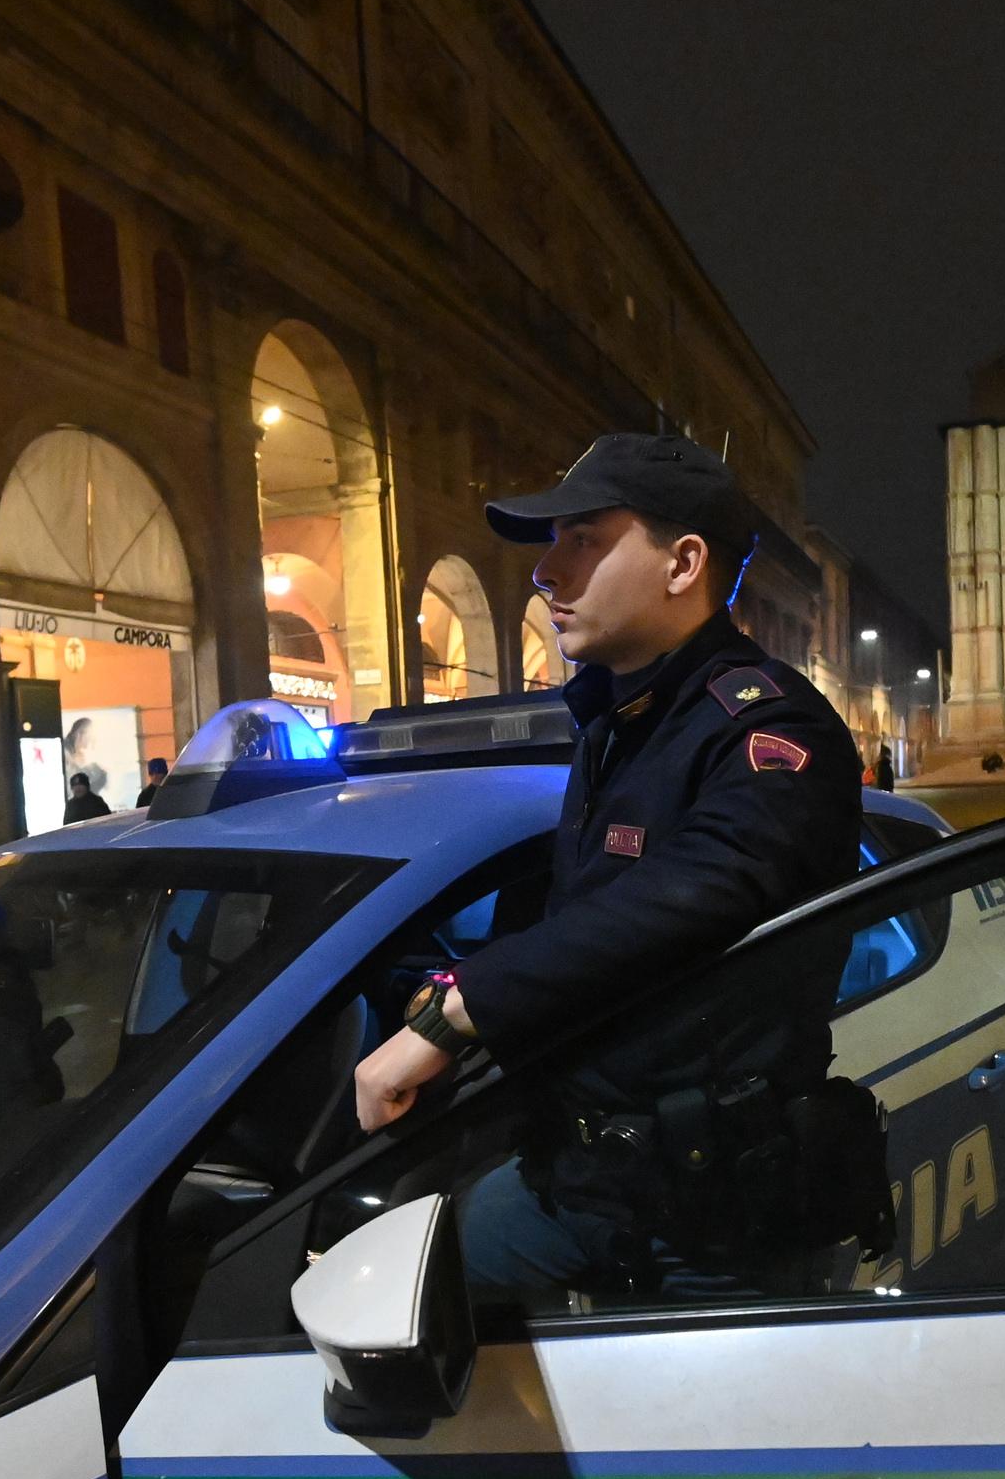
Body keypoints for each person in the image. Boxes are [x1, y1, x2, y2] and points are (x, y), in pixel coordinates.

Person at [348, 433, 867, 1301]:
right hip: (575, 1174)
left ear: (683, 563)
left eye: (582, 539)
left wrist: (456, 1014)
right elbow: (565, 918)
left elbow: (696, 892)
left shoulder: (769, 730)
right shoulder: (619, 722)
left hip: (710, 1215)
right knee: (395, 1303)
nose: (548, 571)